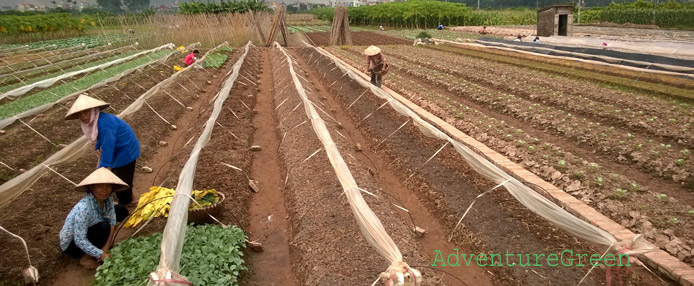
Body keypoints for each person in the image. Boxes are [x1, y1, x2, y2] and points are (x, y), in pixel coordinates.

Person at [65, 94, 140, 206]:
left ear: (93, 110)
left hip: (125, 149)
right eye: (80, 114)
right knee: (119, 174)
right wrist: (97, 146)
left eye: (86, 112)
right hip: (118, 148)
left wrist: (103, 167)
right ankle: (130, 198)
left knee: (121, 178)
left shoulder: (105, 123)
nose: (84, 116)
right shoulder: (97, 120)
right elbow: (100, 137)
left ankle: (127, 203)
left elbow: (108, 145)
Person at [59, 168, 130, 269]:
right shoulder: (84, 208)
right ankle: (85, 258)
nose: (104, 190)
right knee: (105, 227)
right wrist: (101, 254)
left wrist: (106, 248)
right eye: (100, 186)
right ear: (92, 187)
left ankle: (102, 243)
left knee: (121, 210)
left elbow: (112, 220)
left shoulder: (108, 198)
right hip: (73, 244)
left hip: (94, 226)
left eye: (108, 186)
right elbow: (79, 239)